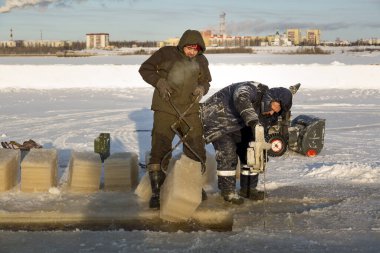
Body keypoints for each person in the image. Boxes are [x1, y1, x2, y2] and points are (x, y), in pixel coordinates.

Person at [139, 29, 212, 209]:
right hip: (166, 108)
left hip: (190, 110)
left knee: (196, 148)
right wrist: (159, 82)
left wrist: (201, 89)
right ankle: (157, 192)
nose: (192, 52)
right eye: (189, 48)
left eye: (195, 49)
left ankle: (193, 186)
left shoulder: (201, 60)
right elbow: (145, 69)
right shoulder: (166, 53)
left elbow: (206, 82)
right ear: (183, 45)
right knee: (160, 147)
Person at [201, 81, 296, 205]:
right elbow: (241, 96)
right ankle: (228, 192)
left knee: (252, 152)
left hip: (238, 125)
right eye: (273, 108)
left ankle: (248, 189)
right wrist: (252, 120)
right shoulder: (252, 89)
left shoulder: (267, 112)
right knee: (228, 154)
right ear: (271, 98)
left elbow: (262, 132)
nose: (272, 113)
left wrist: (262, 147)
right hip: (218, 120)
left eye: (276, 112)